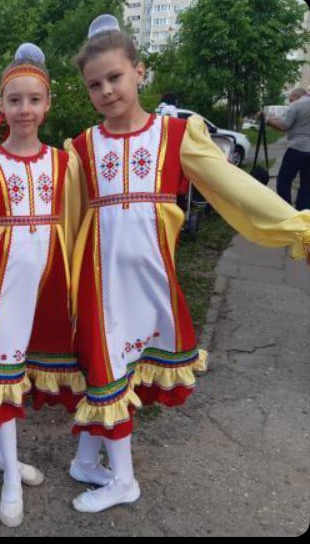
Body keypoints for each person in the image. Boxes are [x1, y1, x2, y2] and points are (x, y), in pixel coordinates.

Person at [65, 14, 310, 514]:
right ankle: (100, 466)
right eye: (94, 85)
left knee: (119, 370)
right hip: (101, 282)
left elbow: (232, 186)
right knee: (105, 367)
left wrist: (294, 225)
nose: (106, 90)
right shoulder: (82, 147)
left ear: (140, 72)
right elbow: (60, 211)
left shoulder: (176, 135)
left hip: (150, 280)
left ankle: (111, 472)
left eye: (115, 77)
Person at [0, 43, 87, 528]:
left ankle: (0, 454)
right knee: (4, 372)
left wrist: (76, 288)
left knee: (24, 369)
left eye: (33, 99)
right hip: (5, 283)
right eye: (15, 100)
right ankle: (11, 472)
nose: (24, 109)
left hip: (49, 281)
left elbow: (74, 224)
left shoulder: (65, 164)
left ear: (47, 104)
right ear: (1, 105)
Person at [265, 88, 310, 210]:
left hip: (297, 148)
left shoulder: (297, 104)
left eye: (291, 99)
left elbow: (284, 126)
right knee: (307, 184)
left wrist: (267, 120)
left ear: (296, 95)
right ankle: (303, 212)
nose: (290, 102)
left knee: (283, 181)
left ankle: (286, 210)